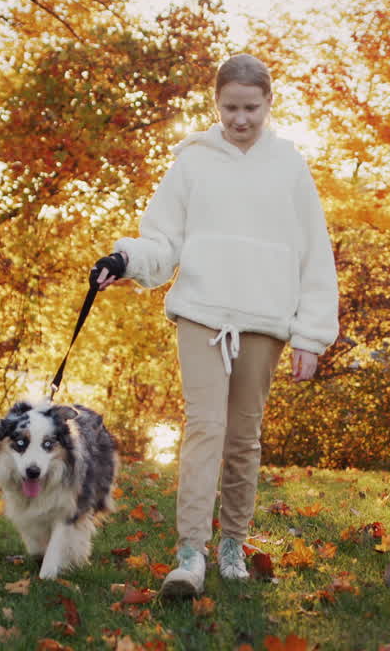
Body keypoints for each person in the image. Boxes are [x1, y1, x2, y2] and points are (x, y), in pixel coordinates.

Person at [90, 53, 339, 597]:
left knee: (244, 436)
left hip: (264, 321)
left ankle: (233, 544)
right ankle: (189, 553)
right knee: (206, 428)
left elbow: (314, 255)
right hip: (201, 314)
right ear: (216, 104)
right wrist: (124, 261)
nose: (241, 118)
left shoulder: (290, 168)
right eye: (231, 107)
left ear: (269, 104)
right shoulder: (193, 164)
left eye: (251, 107)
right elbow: (162, 238)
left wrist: (311, 335)